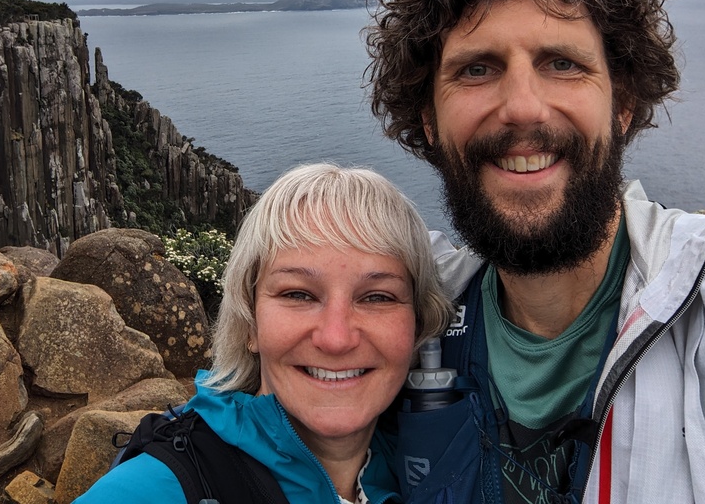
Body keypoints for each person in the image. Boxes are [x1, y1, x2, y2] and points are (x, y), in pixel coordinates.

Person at [365, 0, 705, 503]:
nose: (522, 106)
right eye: (477, 69)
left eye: (561, 63)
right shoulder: (411, 313)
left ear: (623, 103)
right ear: (428, 120)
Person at [74, 162, 452, 504]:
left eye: (377, 297)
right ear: (250, 324)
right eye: (298, 294)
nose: (336, 338)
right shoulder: (155, 489)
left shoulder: (437, 471)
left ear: (417, 326)